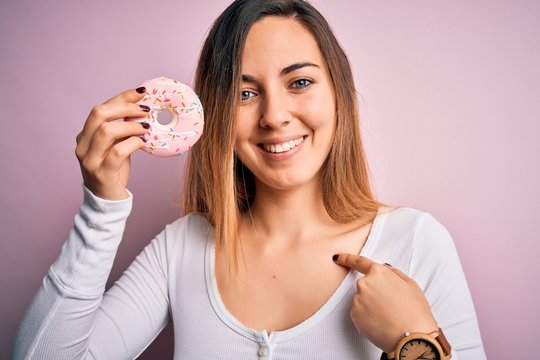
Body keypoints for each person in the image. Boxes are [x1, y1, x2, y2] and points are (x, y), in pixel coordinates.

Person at [12, 0, 486, 359]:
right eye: (244, 92)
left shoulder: (415, 242)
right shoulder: (183, 248)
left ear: (338, 94)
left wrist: (414, 342)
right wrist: (101, 207)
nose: (275, 116)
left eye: (299, 82)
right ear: (216, 115)